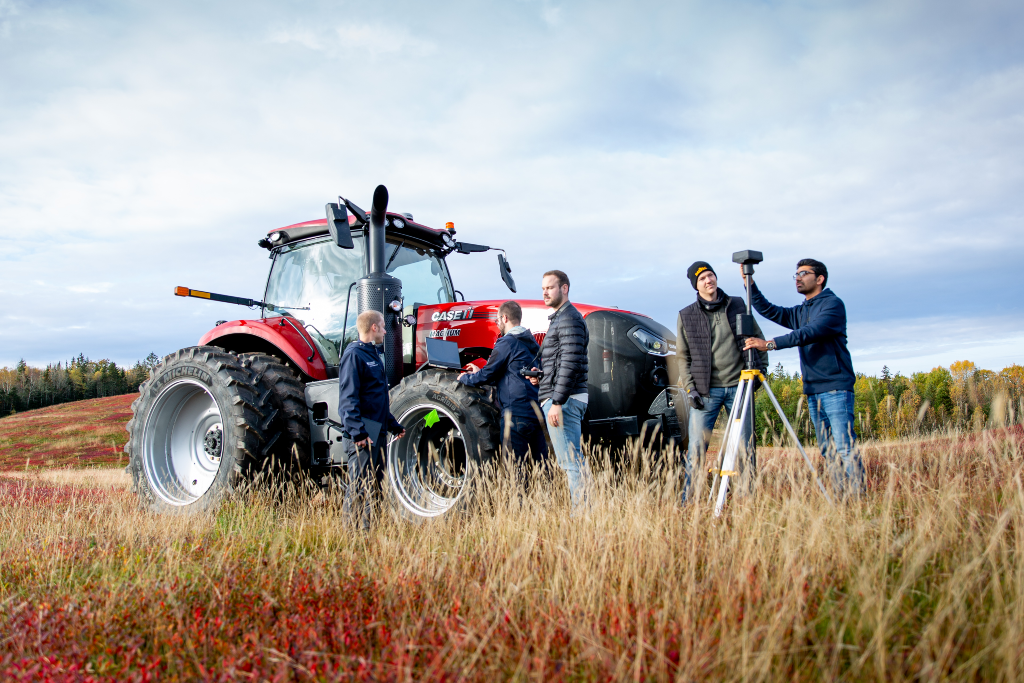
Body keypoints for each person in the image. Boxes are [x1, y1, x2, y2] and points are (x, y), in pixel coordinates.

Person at [742, 258, 864, 498]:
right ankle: (842, 499)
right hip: (813, 390)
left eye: (804, 273)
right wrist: (750, 282)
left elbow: (809, 333)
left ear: (820, 279)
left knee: (844, 447)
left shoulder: (833, 305)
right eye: (795, 274)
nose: (797, 277)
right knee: (828, 450)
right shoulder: (801, 310)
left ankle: (858, 499)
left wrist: (769, 344)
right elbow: (768, 310)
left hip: (836, 387)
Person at [677, 261, 768, 502]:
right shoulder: (686, 315)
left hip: (739, 387)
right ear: (696, 286)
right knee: (696, 449)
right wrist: (690, 388)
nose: (709, 281)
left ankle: (747, 498)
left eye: (710, 275)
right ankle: (690, 501)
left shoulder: (737, 304)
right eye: (702, 279)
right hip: (706, 393)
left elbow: (758, 338)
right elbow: (682, 357)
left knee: (745, 446)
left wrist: (762, 371)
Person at [458, 301, 548, 475]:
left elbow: (487, 375)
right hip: (536, 414)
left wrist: (466, 378)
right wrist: (481, 372)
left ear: (504, 318)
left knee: (514, 472)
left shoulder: (506, 343)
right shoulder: (532, 344)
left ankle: (519, 502)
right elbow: (513, 375)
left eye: (497, 319)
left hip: (515, 415)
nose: (497, 323)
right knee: (542, 470)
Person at [337, 310, 405, 528]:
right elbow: (348, 398)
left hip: (378, 430)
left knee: (375, 486)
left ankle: (369, 532)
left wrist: (394, 425)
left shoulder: (373, 354)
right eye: (383, 326)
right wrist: (358, 432)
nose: (386, 331)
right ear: (373, 327)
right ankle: (351, 536)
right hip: (364, 434)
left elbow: (376, 398)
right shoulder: (354, 355)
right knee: (359, 486)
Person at [528, 270, 590, 509]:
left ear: (564, 289)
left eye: (550, 287)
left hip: (565, 400)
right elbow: (560, 362)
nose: (545, 292)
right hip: (563, 396)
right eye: (543, 288)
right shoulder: (561, 319)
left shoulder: (569, 319)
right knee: (574, 461)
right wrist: (542, 378)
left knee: (571, 463)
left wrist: (556, 401)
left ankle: (581, 515)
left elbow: (571, 362)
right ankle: (586, 511)